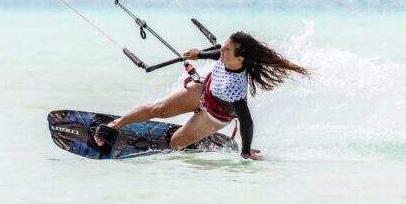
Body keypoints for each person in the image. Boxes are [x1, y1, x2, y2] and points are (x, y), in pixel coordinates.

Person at [93, 31, 308, 160]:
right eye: (223, 48)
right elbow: (217, 52)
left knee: (175, 145)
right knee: (157, 109)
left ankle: (202, 140)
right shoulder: (226, 57)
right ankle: (115, 126)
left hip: (215, 114)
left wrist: (244, 151)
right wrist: (199, 55)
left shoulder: (236, 86)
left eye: (226, 51)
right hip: (204, 91)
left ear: (240, 59)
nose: (220, 52)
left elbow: (246, 121)